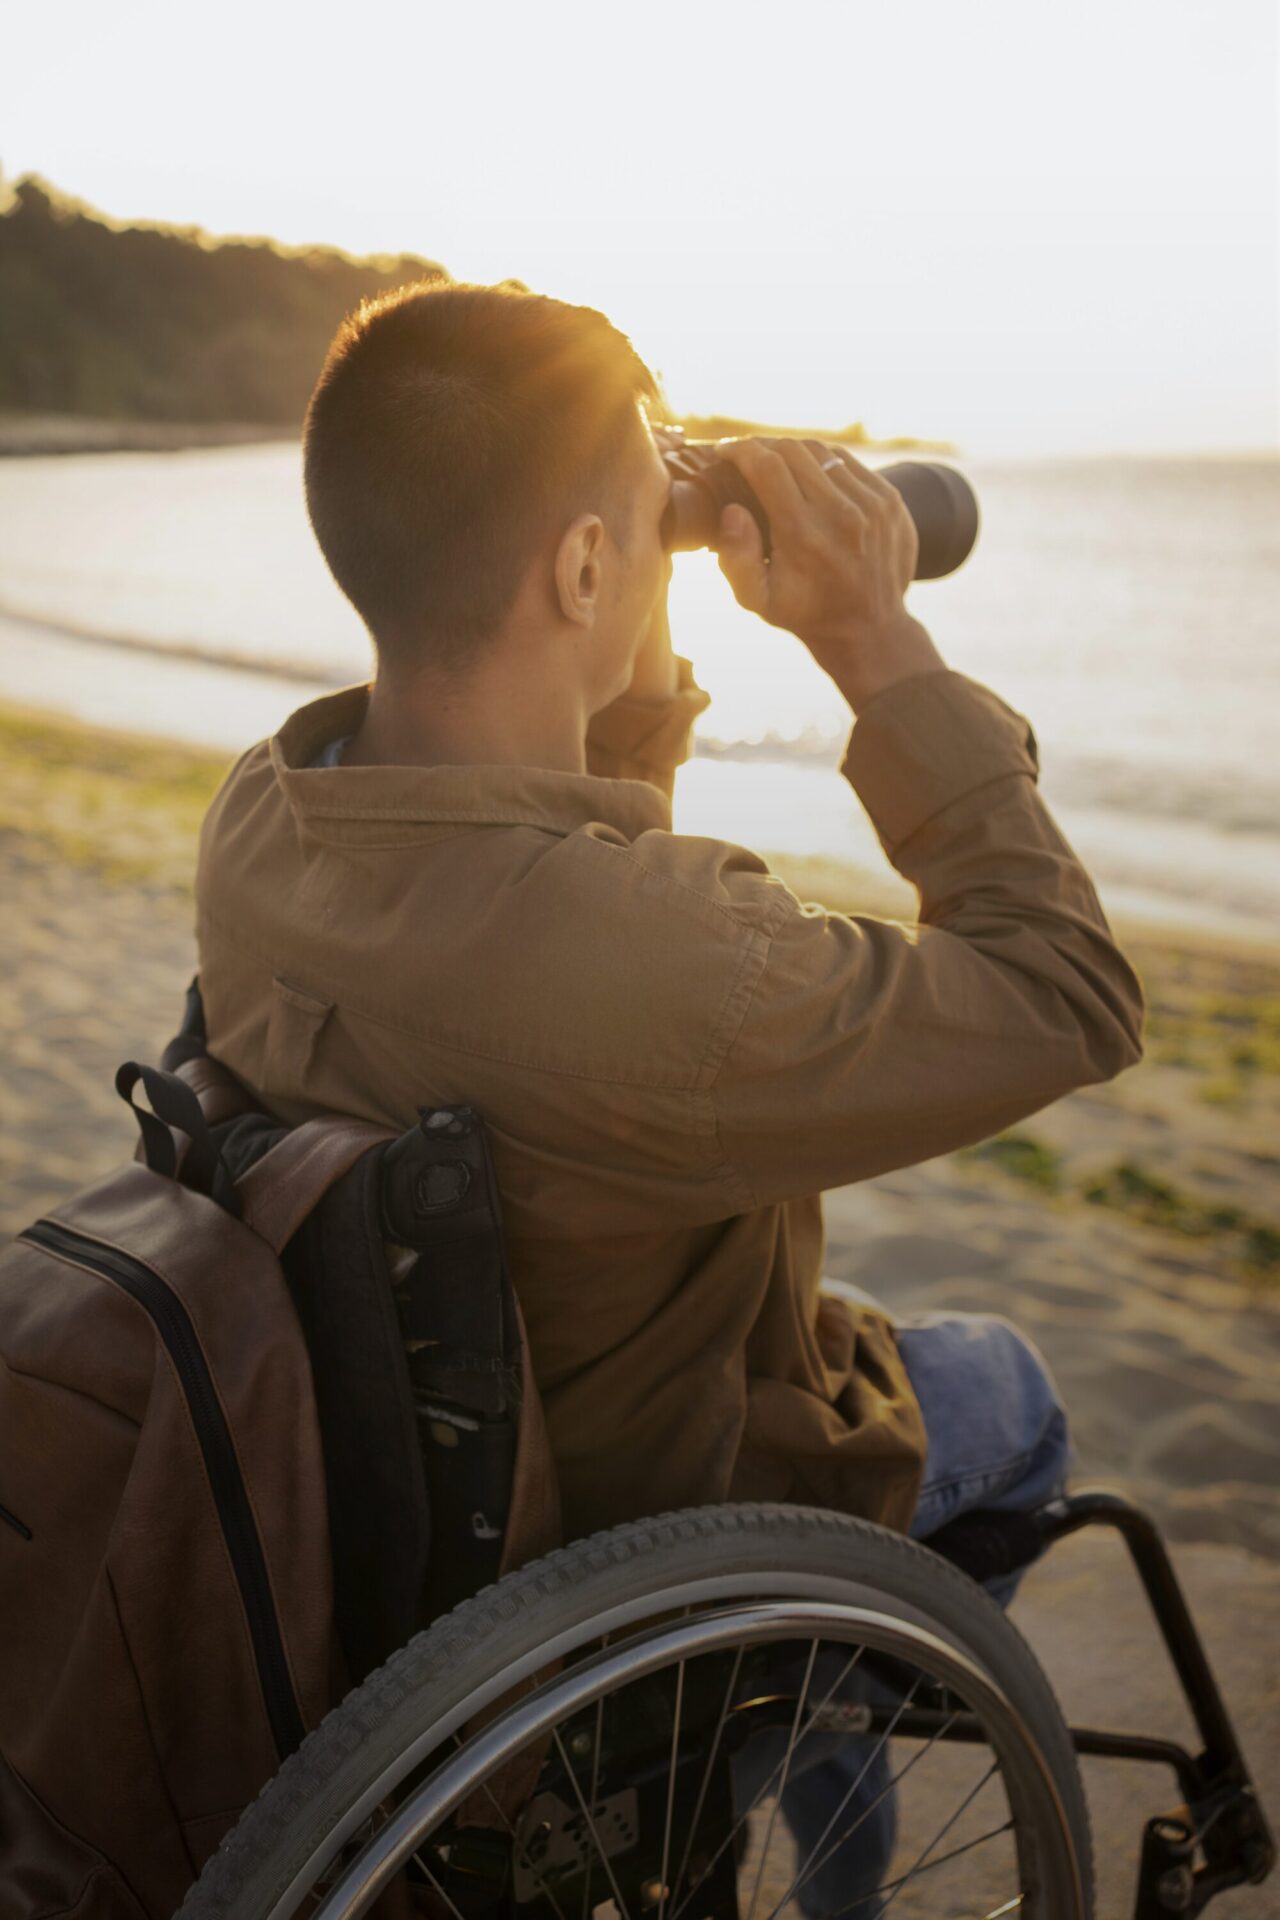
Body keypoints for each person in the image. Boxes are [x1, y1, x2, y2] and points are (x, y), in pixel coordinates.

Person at [193, 280, 1144, 1906]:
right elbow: (1068, 990)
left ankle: (814, 1705)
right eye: (628, 530)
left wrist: (621, 549)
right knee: (1008, 1383)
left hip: (411, 1511)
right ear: (576, 567)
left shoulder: (269, 819)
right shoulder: (654, 973)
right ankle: (821, 1723)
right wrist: (871, 634)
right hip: (654, 1541)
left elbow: (567, 862)